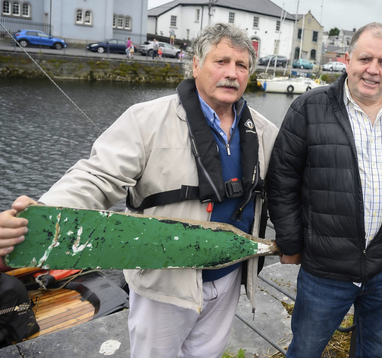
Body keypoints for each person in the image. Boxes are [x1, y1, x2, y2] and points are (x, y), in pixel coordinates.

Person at [0, 23, 278, 358]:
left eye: (241, 65)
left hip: (231, 274)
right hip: (165, 282)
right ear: (195, 64)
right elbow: (97, 175)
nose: (231, 73)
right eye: (221, 61)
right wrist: (44, 213)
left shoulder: (265, 132)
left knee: (208, 353)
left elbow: (283, 193)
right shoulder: (145, 120)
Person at [267, 22, 382, 358]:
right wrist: (291, 243)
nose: (373, 70)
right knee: (305, 352)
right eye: (365, 59)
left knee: (374, 353)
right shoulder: (309, 108)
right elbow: (281, 180)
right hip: (324, 270)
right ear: (347, 59)